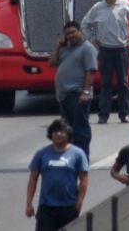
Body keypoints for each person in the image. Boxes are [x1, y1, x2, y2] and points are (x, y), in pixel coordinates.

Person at [81, 0, 129, 124]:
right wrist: (92, 38)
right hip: (105, 50)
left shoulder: (126, 5)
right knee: (105, 83)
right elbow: (84, 24)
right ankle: (103, 115)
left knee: (123, 83)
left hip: (122, 49)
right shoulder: (97, 8)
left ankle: (124, 114)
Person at [25, 119, 89, 231]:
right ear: (51, 134)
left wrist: (79, 202)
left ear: (68, 134)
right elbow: (33, 178)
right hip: (46, 207)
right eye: (55, 131)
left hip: (68, 207)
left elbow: (84, 179)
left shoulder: (77, 154)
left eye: (61, 131)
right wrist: (29, 203)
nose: (58, 134)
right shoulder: (42, 153)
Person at [48, 21, 97, 159]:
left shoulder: (87, 48)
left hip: (77, 95)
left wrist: (86, 92)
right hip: (64, 96)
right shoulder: (65, 49)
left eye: (73, 32)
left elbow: (91, 70)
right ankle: (72, 158)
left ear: (80, 31)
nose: (71, 36)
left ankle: (83, 159)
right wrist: (58, 46)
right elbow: (51, 63)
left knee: (80, 130)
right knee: (68, 131)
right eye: (68, 33)